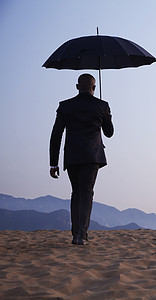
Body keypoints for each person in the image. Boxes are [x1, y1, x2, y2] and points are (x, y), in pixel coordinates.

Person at [49, 74, 114, 245]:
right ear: (94, 88)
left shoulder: (65, 106)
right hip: (92, 156)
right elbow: (109, 133)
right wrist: (108, 115)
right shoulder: (102, 105)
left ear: (77, 86)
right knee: (86, 193)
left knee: (76, 193)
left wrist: (53, 162)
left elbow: (56, 135)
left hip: (72, 155)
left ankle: (76, 233)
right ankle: (81, 235)